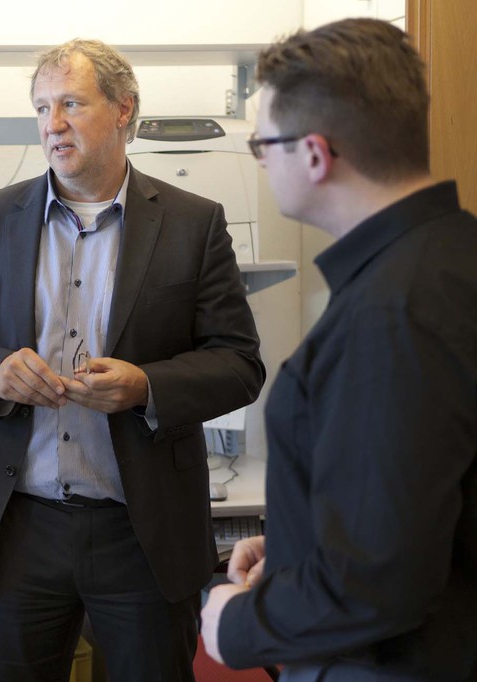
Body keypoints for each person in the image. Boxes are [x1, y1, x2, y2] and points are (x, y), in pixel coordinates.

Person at [0, 38, 265, 681]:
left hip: (142, 530)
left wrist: (147, 386)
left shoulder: (193, 224)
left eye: (71, 104)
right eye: (42, 107)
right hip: (19, 526)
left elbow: (240, 362)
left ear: (123, 108)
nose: (52, 124)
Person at [200, 18, 477, 681]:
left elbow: (377, 584)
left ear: (315, 155)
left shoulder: (392, 313)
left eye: (262, 145)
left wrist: (237, 624)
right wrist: (298, 547)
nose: (261, 163)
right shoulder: (451, 255)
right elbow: (420, 502)